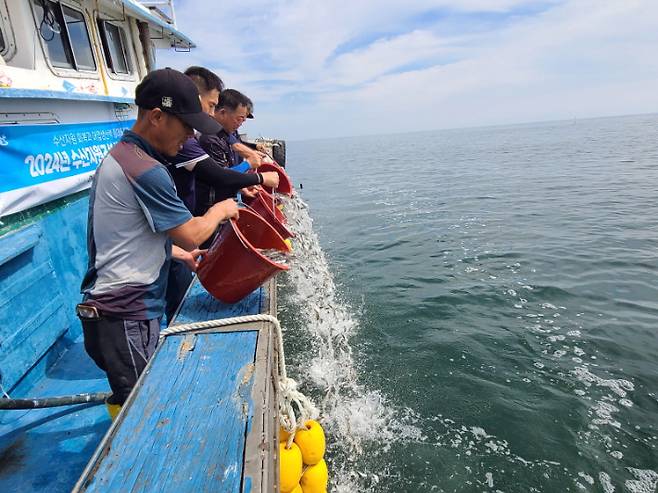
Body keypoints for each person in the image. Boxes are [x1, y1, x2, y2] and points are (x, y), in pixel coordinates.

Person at [77, 68, 239, 418]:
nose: (190, 136)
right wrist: (221, 210)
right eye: (186, 126)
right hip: (125, 316)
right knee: (143, 415)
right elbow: (193, 231)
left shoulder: (121, 156)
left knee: (132, 400)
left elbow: (128, 234)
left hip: (114, 315)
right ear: (157, 117)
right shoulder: (145, 169)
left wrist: (177, 254)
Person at [164, 67, 280, 322]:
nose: (241, 123)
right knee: (179, 297)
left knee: (186, 271)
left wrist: (242, 183)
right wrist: (257, 175)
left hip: (183, 232)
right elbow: (218, 176)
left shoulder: (216, 138)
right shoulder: (196, 143)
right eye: (210, 105)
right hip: (194, 221)